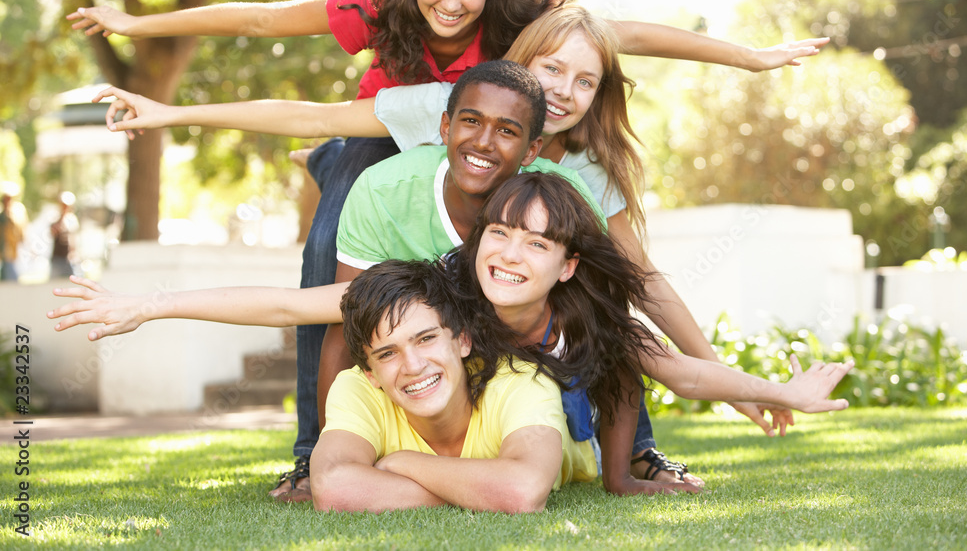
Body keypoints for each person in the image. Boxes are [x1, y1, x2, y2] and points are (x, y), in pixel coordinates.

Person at [68, 0, 828, 497]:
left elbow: (625, 41)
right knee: (336, 218)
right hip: (389, 134)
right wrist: (159, 86)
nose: (453, 0)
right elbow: (289, 70)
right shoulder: (401, 43)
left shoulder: (556, 129)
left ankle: (634, 453)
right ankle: (310, 446)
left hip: (477, 171)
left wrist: (746, 57)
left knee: (596, 289)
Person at [49, 173, 855, 508]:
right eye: (500, 231)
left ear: (567, 261)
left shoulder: (584, 310)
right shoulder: (444, 289)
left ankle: (623, 472)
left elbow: (679, 371)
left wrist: (774, 390)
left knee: (621, 365)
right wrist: (147, 305)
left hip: (559, 410)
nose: (510, 252)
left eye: (536, 242)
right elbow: (290, 303)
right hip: (487, 416)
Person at [312, 258, 597, 513]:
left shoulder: (523, 381)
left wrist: (403, 463)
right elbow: (332, 488)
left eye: (426, 339)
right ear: (370, 373)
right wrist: (483, 495)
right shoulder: (358, 389)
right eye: (387, 354)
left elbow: (523, 492)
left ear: (463, 340)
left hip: (580, 444)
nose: (413, 366)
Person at [50, 192, 79, 279]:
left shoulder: (72, 219)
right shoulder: (55, 217)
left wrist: (74, 252)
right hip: (57, 257)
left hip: (69, 258)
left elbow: (73, 238)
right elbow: (54, 232)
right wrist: (62, 216)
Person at [1, 192, 25, 282]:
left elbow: (19, 231)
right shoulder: (2, 216)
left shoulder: (16, 215)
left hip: (14, 249)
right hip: (4, 249)